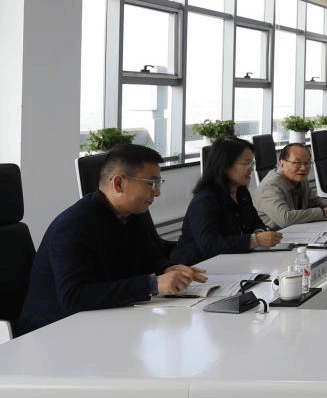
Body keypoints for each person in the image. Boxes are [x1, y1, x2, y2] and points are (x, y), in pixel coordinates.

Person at [16, 144, 206, 336]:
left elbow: (148, 257)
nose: (157, 192)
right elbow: (74, 296)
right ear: (119, 183)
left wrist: (166, 269)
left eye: (158, 183)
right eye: (151, 183)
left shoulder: (135, 213)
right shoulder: (73, 226)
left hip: (105, 320)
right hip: (52, 331)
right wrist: (152, 285)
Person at [171, 138, 284, 266]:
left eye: (252, 163)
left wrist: (259, 233)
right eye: (247, 163)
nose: (251, 168)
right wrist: (254, 240)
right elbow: (210, 245)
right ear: (225, 165)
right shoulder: (204, 200)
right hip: (198, 267)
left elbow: (256, 222)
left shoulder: (242, 193)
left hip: (233, 263)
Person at [256, 143, 327, 229]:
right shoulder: (270, 186)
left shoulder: (300, 178)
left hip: (297, 229)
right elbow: (285, 218)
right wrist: (324, 213)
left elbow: (313, 200)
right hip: (275, 234)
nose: (303, 168)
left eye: (307, 163)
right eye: (297, 163)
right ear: (282, 164)